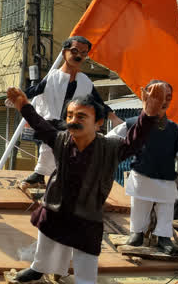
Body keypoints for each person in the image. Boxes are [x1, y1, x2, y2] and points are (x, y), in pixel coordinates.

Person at [6, 83, 167, 284]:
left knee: (85, 262)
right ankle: (38, 268)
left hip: (87, 214)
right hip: (56, 206)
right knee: (46, 239)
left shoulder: (110, 147)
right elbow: (40, 124)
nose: (73, 121)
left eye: (81, 117)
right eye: (70, 116)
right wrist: (23, 104)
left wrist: (149, 114)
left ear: (98, 122)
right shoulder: (61, 140)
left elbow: (134, 140)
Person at [106, 79, 178, 255]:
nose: (163, 101)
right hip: (142, 176)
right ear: (146, 97)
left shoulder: (174, 130)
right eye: (157, 96)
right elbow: (108, 142)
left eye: (168, 97)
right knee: (139, 206)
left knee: (165, 210)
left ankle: (164, 237)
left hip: (166, 179)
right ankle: (137, 233)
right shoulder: (133, 124)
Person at [21, 35, 122, 188]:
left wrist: (113, 117)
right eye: (75, 51)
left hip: (73, 124)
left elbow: (98, 102)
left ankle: (68, 181)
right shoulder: (53, 77)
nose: (79, 55)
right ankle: (39, 176)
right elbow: (35, 90)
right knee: (47, 148)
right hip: (52, 120)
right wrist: (19, 97)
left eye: (83, 53)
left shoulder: (85, 82)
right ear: (64, 53)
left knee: (73, 153)